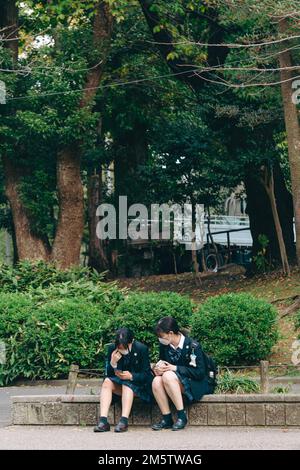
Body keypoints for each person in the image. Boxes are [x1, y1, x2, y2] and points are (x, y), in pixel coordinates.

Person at [151, 316, 215, 431]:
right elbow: (163, 363)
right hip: (173, 383)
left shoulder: (193, 346)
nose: (160, 339)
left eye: (161, 336)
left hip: (194, 383)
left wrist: (174, 368)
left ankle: (181, 416)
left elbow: (199, 373)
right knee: (156, 381)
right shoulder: (164, 346)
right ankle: (167, 418)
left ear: (170, 333)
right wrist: (158, 369)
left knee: (168, 375)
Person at [94, 327, 153, 433]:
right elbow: (108, 375)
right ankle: (103, 421)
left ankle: (124, 421)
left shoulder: (141, 349)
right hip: (119, 384)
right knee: (107, 382)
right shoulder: (112, 348)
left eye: (125, 347)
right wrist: (113, 363)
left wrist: (132, 376)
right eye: (119, 347)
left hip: (138, 386)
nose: (121, 349)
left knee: (127, 385)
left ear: (132, 342)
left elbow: (147, 375)